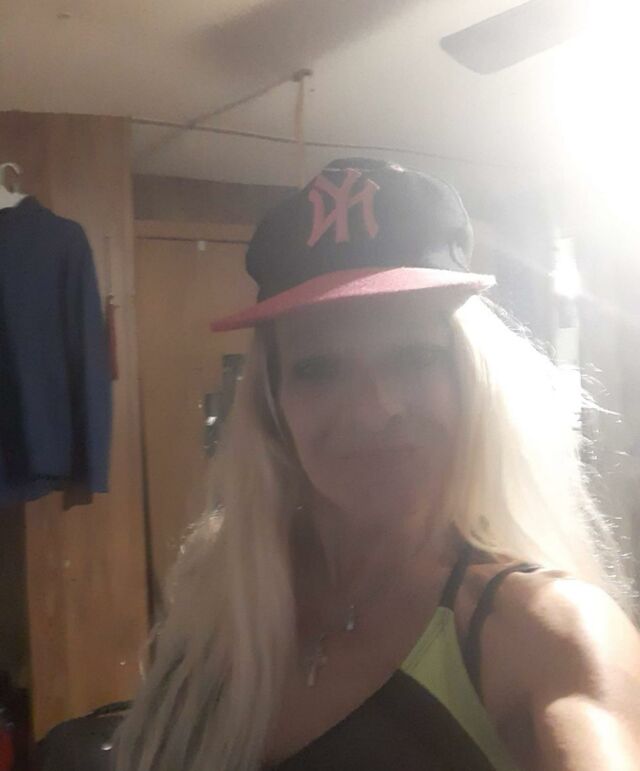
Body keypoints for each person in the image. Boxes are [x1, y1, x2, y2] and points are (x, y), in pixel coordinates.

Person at [113, 158, 640, 771]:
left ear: (471, 382)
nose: (371, 411)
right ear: (274, 406)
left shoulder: (545, 631)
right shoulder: (216, 596)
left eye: (414, 357)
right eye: (319, 368)